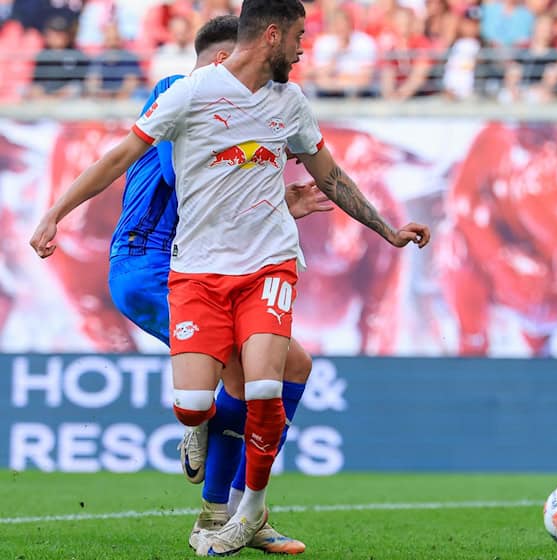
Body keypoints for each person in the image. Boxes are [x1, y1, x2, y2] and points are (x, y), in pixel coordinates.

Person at [29, 0, 430, 555]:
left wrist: (377, 227)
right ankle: (213, 476)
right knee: (230, 390)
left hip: (246, 264)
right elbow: (170, 173)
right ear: (261, 39)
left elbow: (298, 177)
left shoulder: (285, 102)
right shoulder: (183, 90)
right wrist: (55, 212)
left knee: (280, 374)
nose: (303, 48)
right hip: (159, 263)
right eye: (297, 37)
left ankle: (236, 511)